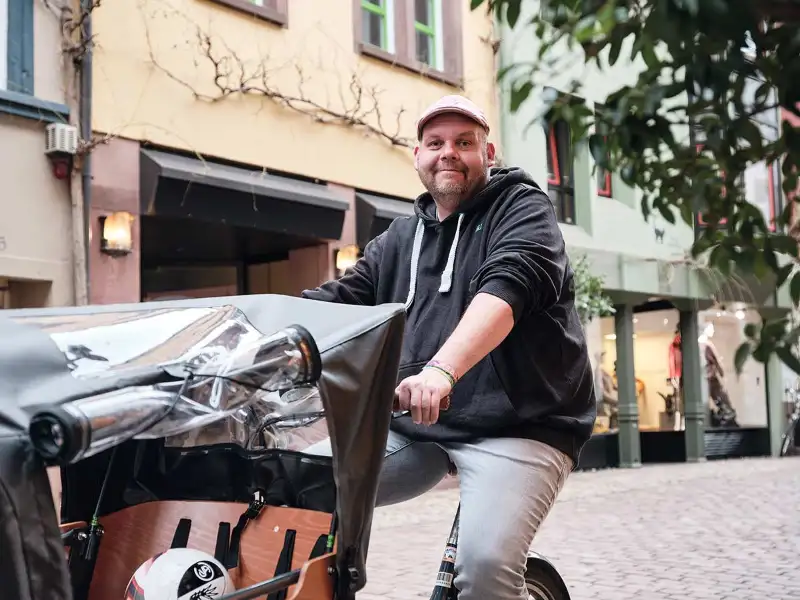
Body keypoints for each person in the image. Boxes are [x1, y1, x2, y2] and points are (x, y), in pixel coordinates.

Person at [301, 94, 596, 600]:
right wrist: (244, 329)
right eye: (435, 143)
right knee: (301, 486)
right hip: (421, 425)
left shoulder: (522, 210)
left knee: (484, 567)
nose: (448, 153)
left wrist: (441, 370)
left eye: (464, 142)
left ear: (489, 153)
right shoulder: (398, 239)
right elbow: (336, 304)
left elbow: (507, 288)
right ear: (417, 155)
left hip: (521, 423)